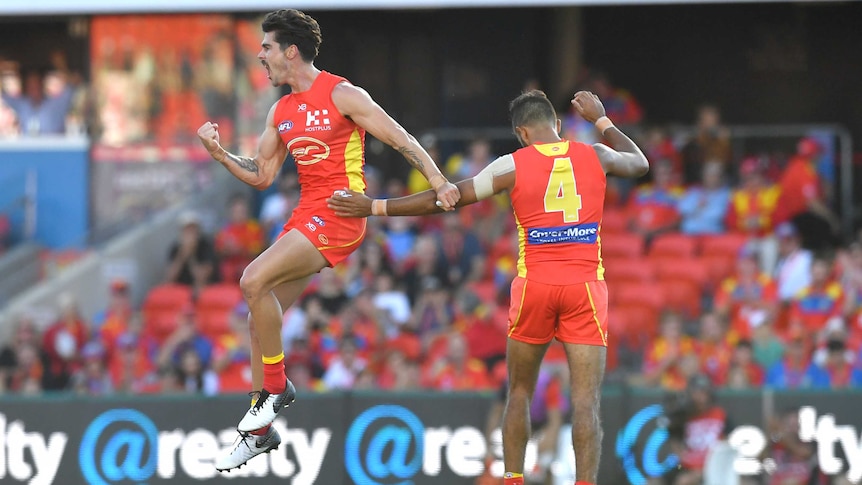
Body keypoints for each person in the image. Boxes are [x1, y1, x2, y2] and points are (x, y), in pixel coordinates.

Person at [327, 89, 649, 485]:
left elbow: (448, 198)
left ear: (521, 133)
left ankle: (512, 479)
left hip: (536, 284)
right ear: (559, 126)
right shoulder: (595, 154)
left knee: (519, 393)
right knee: (587, 403)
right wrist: (602, 121)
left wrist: (375, 206)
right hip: (585, 286)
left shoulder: (511, 164)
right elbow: (640, 163)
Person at [196, 9, 459, 471]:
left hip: (339, 213)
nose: (261, 56)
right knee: (262, 314)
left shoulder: (341, 93)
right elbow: (261, 175)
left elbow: (400, 138)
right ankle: (259, 429)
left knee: (251, 279)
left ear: (290, 51)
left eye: (267, 47)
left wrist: (439, 181)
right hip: (305, 215)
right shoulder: (280, 110)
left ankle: (276, 391)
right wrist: (219, 153)